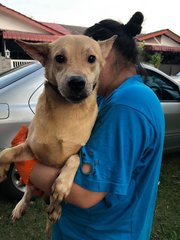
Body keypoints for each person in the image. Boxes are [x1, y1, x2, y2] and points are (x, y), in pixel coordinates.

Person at [29, 12, 165, 240]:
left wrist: (24, 163)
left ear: (105, 55)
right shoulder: (105, 97)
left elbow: (85, 194)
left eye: (87, 59)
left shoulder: (129, 103)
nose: (77, 70)